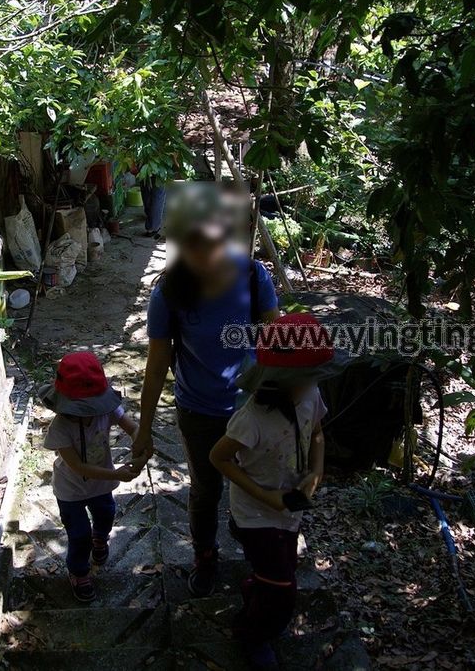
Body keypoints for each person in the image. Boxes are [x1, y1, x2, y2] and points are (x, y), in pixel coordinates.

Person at [133, 182, 280, 597]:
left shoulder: (252, 276)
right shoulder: (169, 291)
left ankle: (251, 544)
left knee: (251, 483)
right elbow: (158, 363)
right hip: (198, 410)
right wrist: (144, 429)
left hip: (251, 407)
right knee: (205, 489)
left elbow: (276, 338)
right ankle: (205, 555)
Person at [209, 312, 346, 669]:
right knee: (284, 590)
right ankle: (252, 634)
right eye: (307, 376)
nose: (314, 382)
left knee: (279, 566)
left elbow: (316, 433)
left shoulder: (309, 394)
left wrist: (315, 471)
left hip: (290, 503)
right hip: (256, 511)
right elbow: (219, 458)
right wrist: (266, 497)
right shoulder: (251, 417)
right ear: (283, 377)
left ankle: (256, 587)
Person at [39, 352, 147, 602]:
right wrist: (116, 473)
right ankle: (79, 572)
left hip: (101, 486)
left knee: (106, 514)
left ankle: (100, 539)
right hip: (70, 491)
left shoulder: (107, 412)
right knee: (78, 535)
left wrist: (142, 443)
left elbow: (133, 428)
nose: (89, 413)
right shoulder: (60, 428)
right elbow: (77, 466)